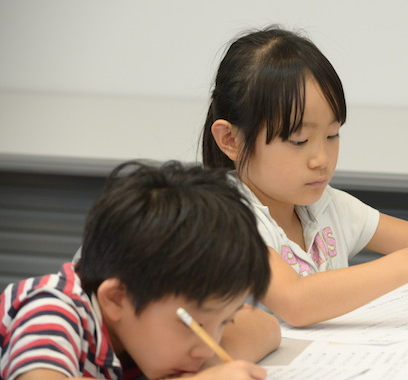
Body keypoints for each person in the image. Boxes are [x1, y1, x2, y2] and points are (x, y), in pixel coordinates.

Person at [201, 26, 408, 328]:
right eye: (299, 141)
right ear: (231, 140)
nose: (322, 159)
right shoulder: (226, 219)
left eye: (332, 135)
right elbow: (296, 303)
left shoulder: (328, 207)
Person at [0, 160, 279, 380]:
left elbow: (266, 327)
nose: (208, 348)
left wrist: (212, 365)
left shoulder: (144, 317)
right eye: (195, 325)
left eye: (225, 322)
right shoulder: (52, 308)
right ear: (117, 299)